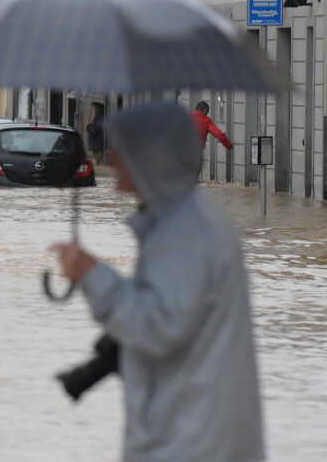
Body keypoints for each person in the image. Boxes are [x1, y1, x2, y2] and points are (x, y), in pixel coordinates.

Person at [50, 101, 264, 461]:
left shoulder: (184, 232)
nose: (110, 160)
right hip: (194, 432)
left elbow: (158, 326)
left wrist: (91, 273)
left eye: (123, 149)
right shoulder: (189, 217)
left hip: (188, 442)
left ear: (151, 158)